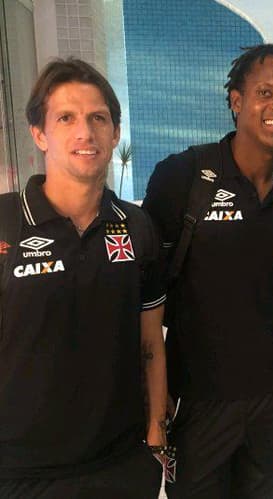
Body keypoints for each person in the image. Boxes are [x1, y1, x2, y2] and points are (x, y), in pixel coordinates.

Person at [143, 44, 273, 498]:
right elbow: (145, 298)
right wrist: (155, 404)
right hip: (198, 398)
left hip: (270, 395)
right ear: (236, 101)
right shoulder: (182, 177)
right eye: (266, 92)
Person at [0, 58, 167, 499]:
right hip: (19, 471)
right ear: (39, 134)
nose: (85, 133)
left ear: (114, 133)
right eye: (66, 118)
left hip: (121, 464)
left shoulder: (136, 226)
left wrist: (155, 433)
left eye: (98, 118)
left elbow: (150, 340)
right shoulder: (4, 224)